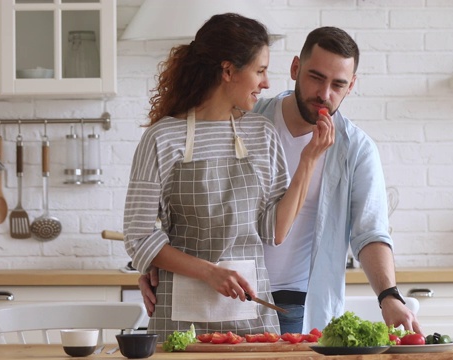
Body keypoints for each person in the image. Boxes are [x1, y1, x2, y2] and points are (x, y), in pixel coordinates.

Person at [137, 26, 422, 335]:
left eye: (338, 84)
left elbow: (369, 233)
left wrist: (388, 295)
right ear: (295, 68)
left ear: (351, 85)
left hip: (297, 307)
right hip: (224, 299)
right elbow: (190, 204)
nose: (324, 94)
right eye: (316, 77)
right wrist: (158, 262)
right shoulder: (246, 119)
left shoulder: (356, 149)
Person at [123, 13, 333, 342]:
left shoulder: (261, 133)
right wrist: (209, 272)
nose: (266, 83)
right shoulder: (164, 138)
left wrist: (309, 159)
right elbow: (139, 238)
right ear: (228, 70)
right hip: (180, 324)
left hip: (252, 321)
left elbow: (274, 230)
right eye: (260, 70)